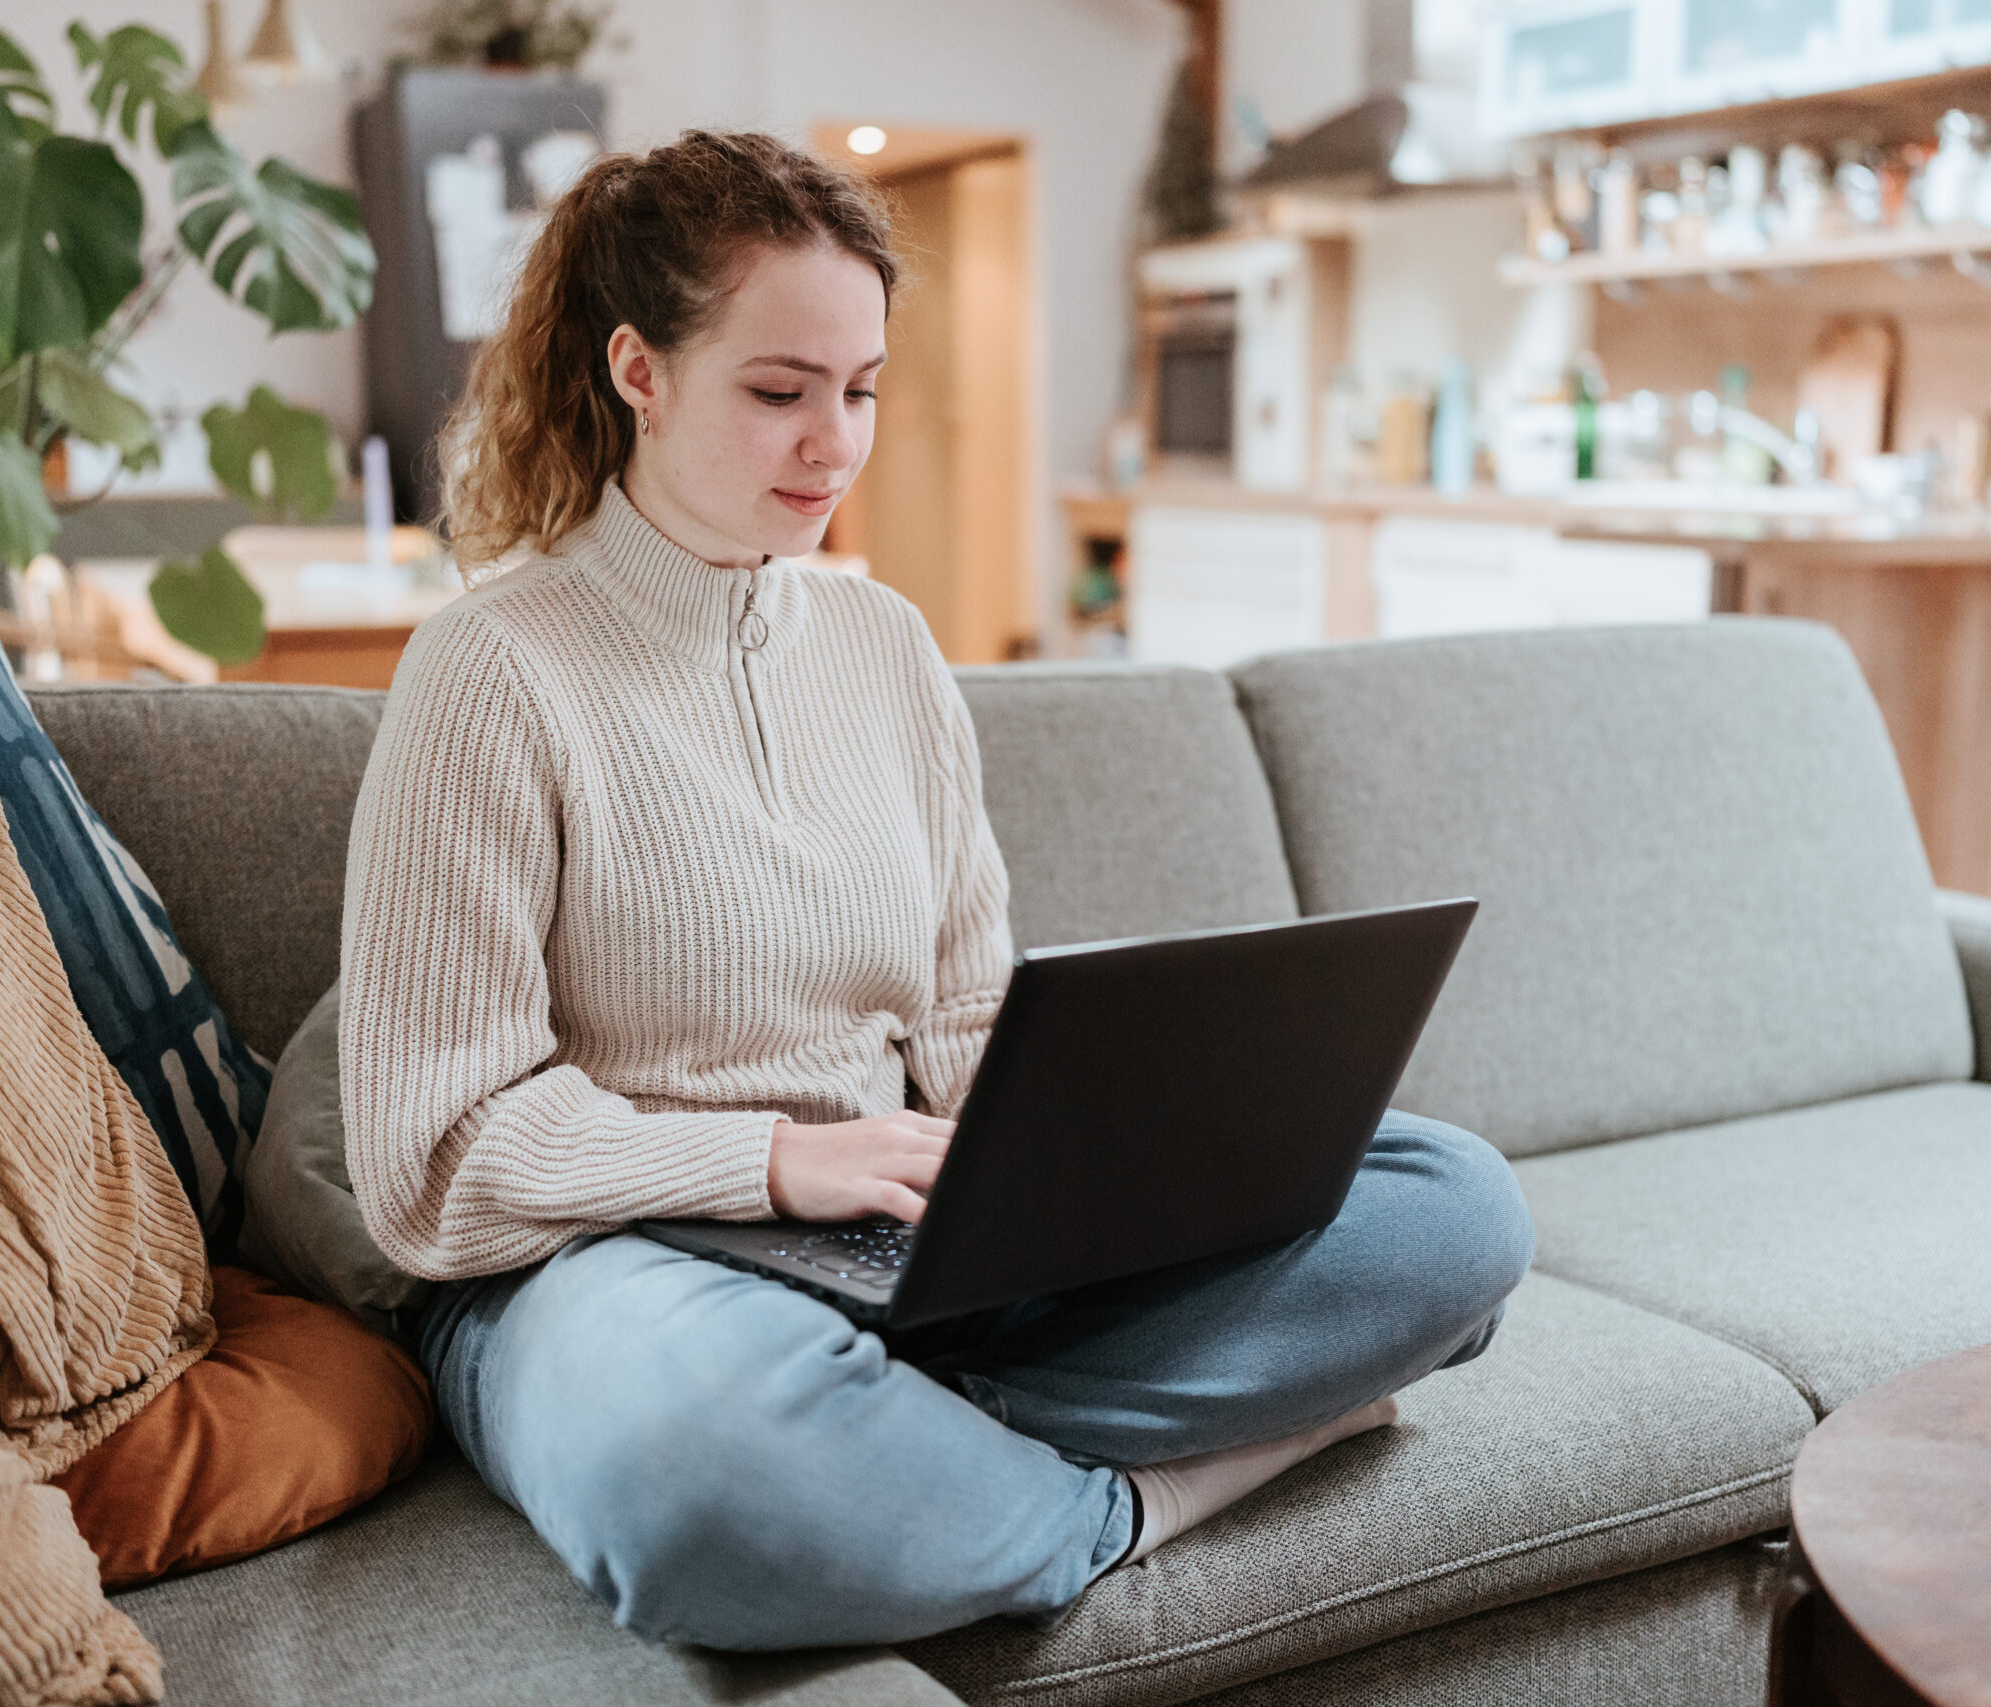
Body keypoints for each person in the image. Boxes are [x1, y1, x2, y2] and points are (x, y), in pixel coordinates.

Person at [341, 129, 1534, 1652]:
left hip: (906, 1243)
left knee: (1451, 1209)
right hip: (618, 1271)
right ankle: (1138, 1497)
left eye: (862, 391)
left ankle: (923, 1455)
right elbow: (432, 1153)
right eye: (778, 393)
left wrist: (1071, 1179)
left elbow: (972, 1007)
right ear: (638, 371)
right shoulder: (490, 670)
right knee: (694, 1460)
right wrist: (778, 1161)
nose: (833, 445)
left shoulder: (886, 650)